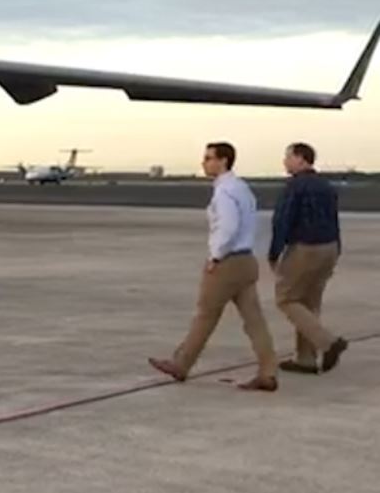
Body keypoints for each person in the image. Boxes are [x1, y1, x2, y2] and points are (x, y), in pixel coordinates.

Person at [149, 142, 277, 391]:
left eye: (209, 158)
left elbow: (227, 228)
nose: (204, 162)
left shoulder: (225, 192)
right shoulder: (242, 188)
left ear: (223, 161)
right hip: (246, 260)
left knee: (205, 315)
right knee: (254, 321)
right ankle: (268, 370)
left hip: (228, 261)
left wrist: (216, 256)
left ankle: (181, 364)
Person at [270, 142, 350, 375]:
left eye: (288, 157)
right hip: (329, 247)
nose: (285, 162)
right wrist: (337, 251)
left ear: (301, 159)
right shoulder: (326, 185)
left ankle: (328, 342)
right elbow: (334, 219)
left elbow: (282, 221)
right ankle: (305, 359)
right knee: (309, 302)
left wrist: (275, 252)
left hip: (306, 247)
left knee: (286, 299)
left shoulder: (295, 186)